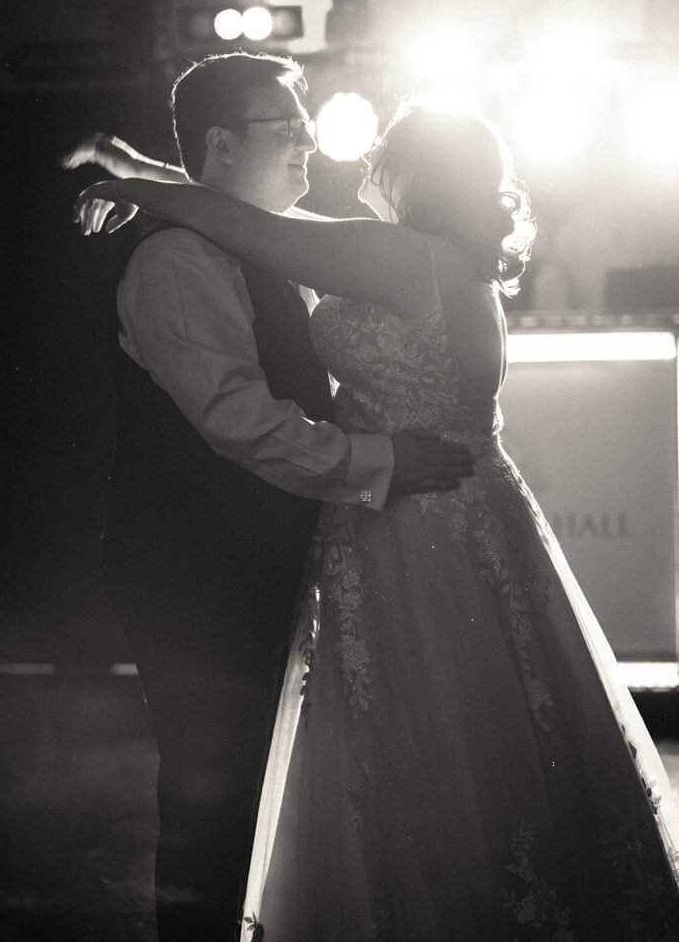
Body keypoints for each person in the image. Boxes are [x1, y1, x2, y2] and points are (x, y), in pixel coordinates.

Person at [75, 99, 679, 941]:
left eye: (380, 156)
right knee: (493, 725)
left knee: (430, 741)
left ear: (412, 174)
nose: (358, 169)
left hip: (412, 526)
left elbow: (251, 226)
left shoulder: (391, 256)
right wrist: (152, 179)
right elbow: (257, 222)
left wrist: (130, 177)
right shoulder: (443, 260)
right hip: (472, 513)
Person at [65, 53, 475, 942]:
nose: (306, 145)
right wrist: (379, 460)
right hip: (192, 573)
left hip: (261, 556)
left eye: (302, 126)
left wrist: (146, 178)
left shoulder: (268, 235)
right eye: (284, 128)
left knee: (273, 786)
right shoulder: (176, 260)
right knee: (213, 792)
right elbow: (238, 420)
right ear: (221, 143)